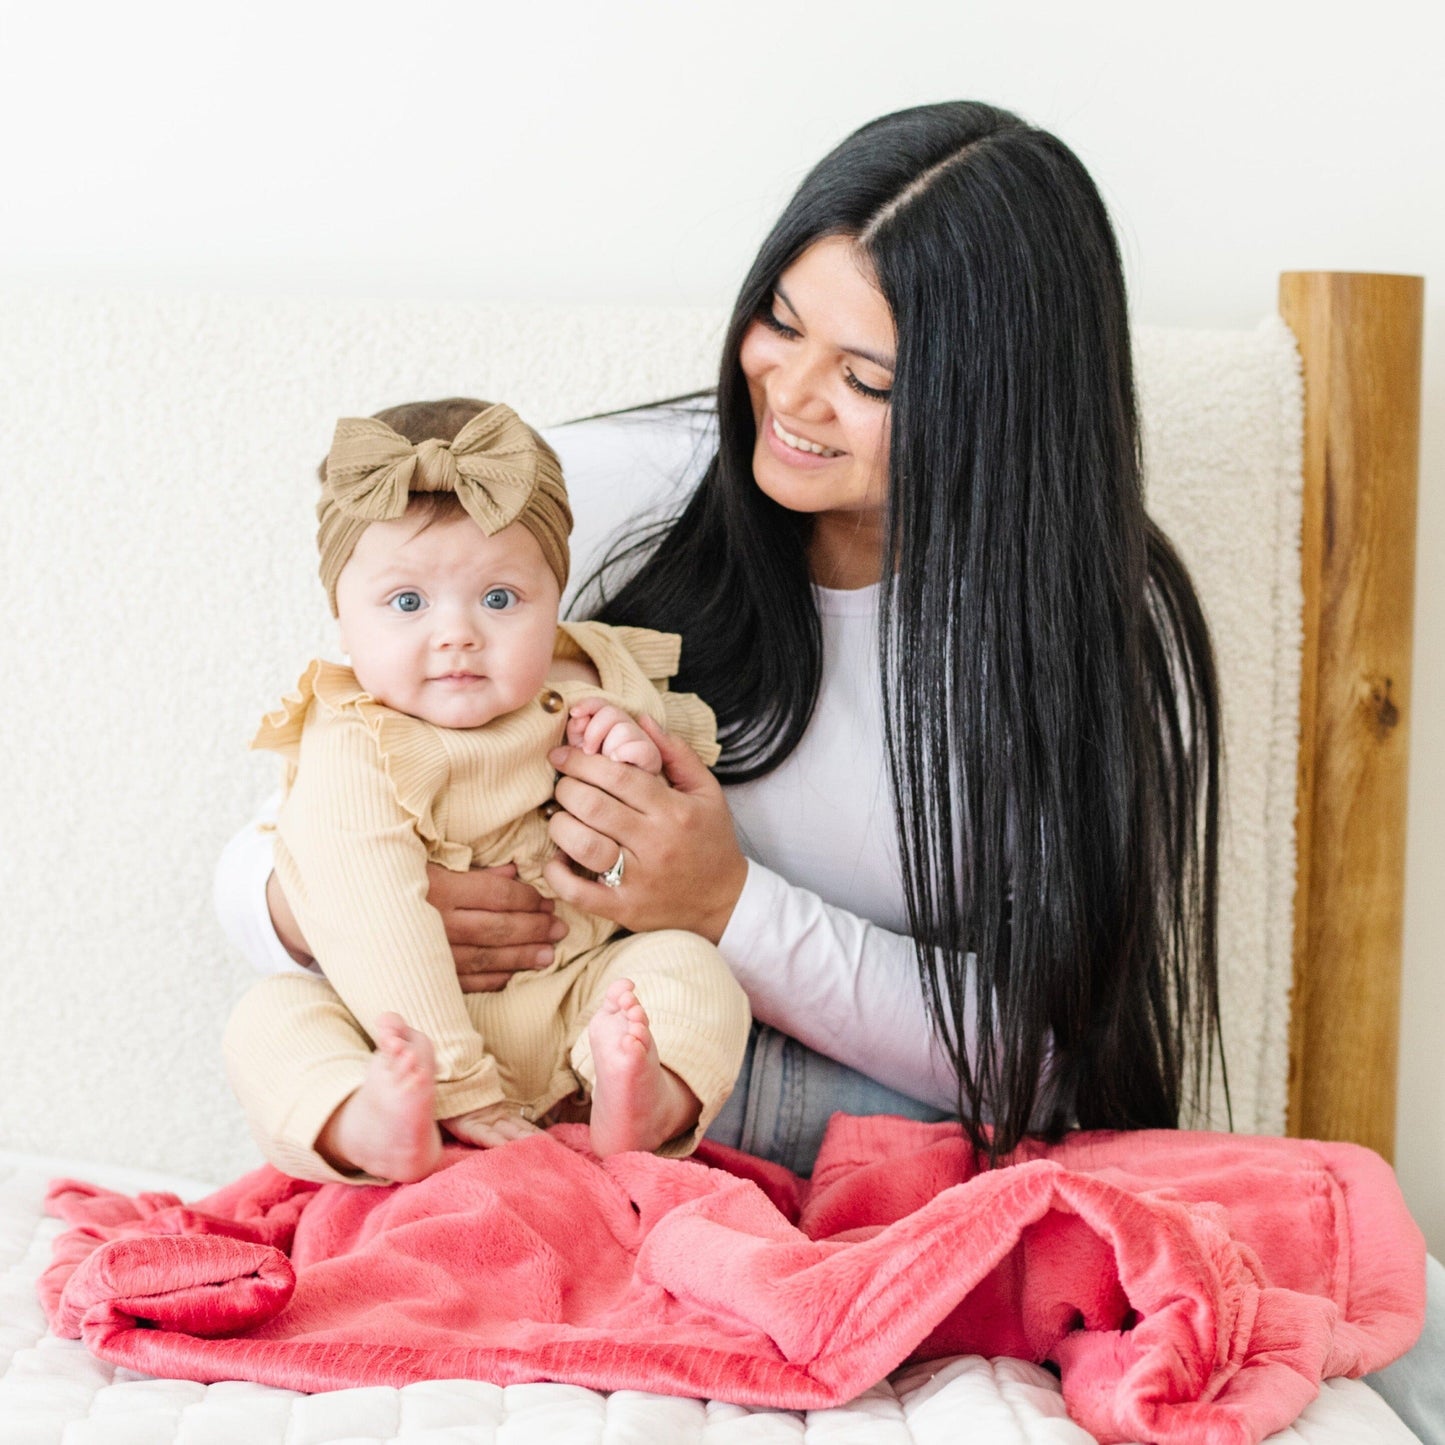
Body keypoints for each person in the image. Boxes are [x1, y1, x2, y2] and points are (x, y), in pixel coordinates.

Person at [216, 102, 1442, 1439]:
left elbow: (1036, 1057)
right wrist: (323, 911)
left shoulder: (1086, 629)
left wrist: (725, 908)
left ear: (992, 404)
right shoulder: (610, 500)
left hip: (810, 1107)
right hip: (486, 1061)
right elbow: (280, 829)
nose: (788, 395)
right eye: (779, 323)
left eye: (866, 376)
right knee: (288, 1023)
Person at [223, 397, 749, 1185]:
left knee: (688, 968)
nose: (457, 634)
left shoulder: (594, 682)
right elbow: (366, 910)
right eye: (407, 603)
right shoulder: (352, 738)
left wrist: (632, 761)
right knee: (271, 1018)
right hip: (397, 1037)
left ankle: (636, 1097)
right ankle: (371, 1122)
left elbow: (651, 848)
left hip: (572, 998)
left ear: (553, 599)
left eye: (499, 599)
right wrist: (453, 1080)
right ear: (342, 617)